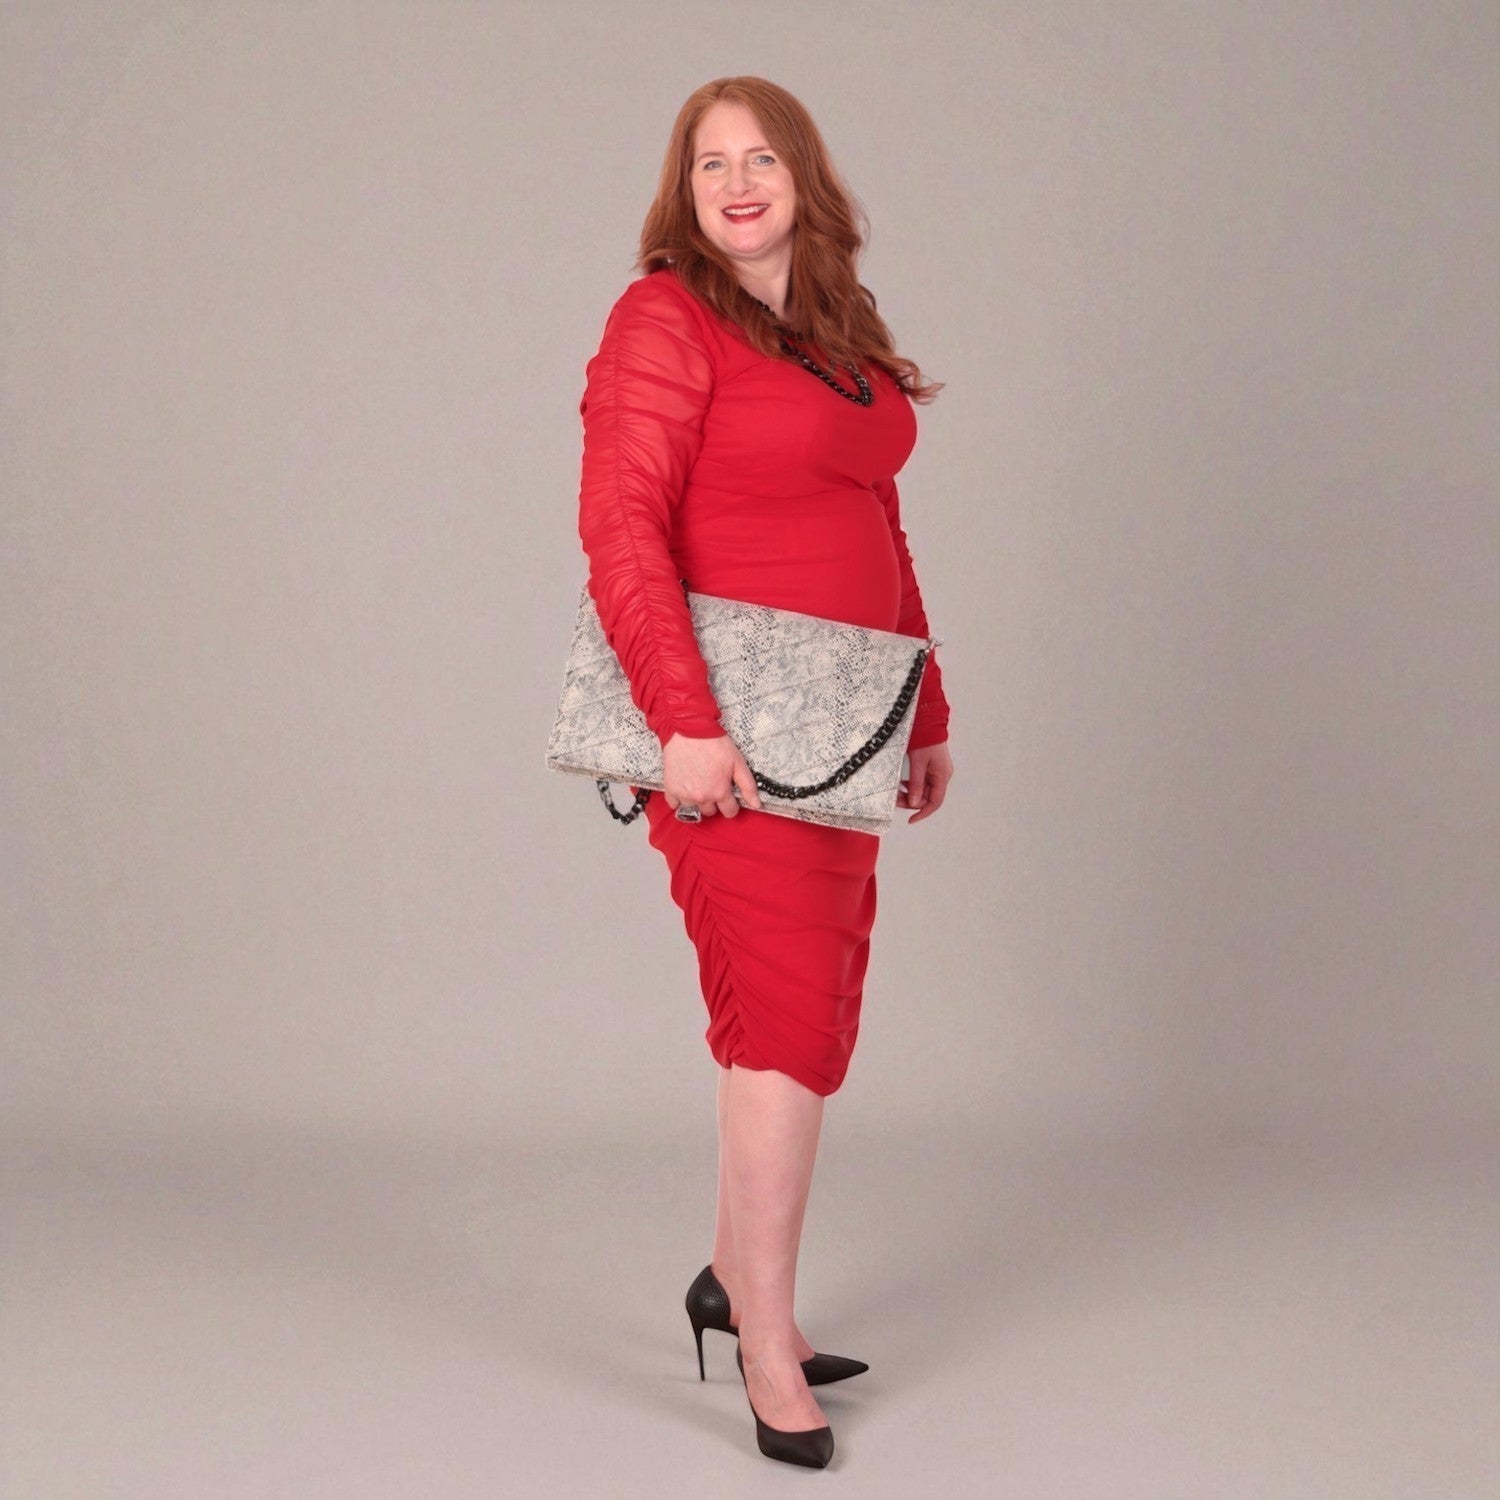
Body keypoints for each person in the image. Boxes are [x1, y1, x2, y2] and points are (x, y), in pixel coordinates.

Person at [574, 75, 955, 1469]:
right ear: (687, 187)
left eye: (762, 157)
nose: (738, 182)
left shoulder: (831, 333)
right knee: (786, 1025)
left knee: (813, 1012)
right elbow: (620, 524)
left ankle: (736, 1283)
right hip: (726, 738)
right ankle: (769, 1344)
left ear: (805, 176)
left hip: (843, 728)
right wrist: (681, 720)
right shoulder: (662, 318)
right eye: (710, 161)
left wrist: (926, 709)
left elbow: (880, 522)